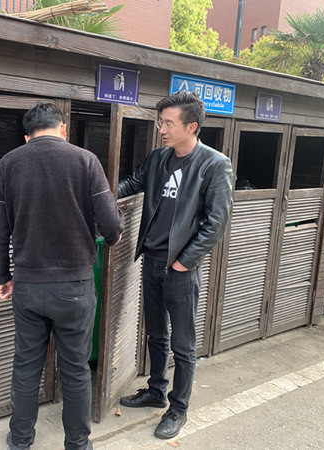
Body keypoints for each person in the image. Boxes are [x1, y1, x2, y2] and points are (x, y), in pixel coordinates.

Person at [0, 102, 124, 450]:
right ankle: (78, 443)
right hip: (75, 287)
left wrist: (2, 276)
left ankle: (20, 440)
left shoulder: (9, 164)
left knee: (26, 366)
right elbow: (110, 222)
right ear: (63, 128)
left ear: (27, 136)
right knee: (76, 369)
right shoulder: (85, 161)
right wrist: (113, 236)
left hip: (28, 287)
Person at [117, 91, 233, 440]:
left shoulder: (214, 164)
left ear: (191, 126)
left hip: (180, 268)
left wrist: (184, 261)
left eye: (169, 123)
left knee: (183, 344)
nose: (162, 129)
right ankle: (156, 391)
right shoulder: (158, 158)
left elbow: (216, 223)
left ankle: (178, 408)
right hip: (152, 261)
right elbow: (132, 184)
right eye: (161, 122)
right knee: (156, 332)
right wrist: (100, 197)